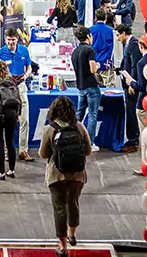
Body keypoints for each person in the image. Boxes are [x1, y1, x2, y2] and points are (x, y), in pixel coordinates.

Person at [39, 96, 91, 257]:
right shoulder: (80, 127)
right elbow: (88, 151)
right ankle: (72, 234)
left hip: (56, 176)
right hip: (77, 175)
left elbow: (42, 154)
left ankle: (62, 246)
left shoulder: (50, 129)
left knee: (59, 209)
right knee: (73, 204)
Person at [0, 28, 35, 162]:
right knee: (7, 121)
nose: (11, 42)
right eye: (8, 40)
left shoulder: (24, 51)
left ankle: (23, 150)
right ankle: (6, 151)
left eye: (13, 40)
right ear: (5, 40)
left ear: (17, 39)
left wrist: (27, 74)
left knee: (25, 120)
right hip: (5, 89)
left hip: (21, 86)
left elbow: (29, 66)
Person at [71, 26, 101, 152]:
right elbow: (92, 69)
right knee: (92, 115)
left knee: (79, 115)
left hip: (81, 87)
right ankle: (90, 143)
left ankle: (74, 139)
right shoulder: (90, 50)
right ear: (88, 36)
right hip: (92, 87)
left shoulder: (75, 51)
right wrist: (98, 66)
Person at [118, 24, 144, 159]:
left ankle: (133, 140)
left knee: (131, 112)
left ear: (124, 33)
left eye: (118, 35)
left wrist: (132, 84)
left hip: (132, 86)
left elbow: (134, 65)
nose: (117, 38)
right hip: (128, 83)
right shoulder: (129, 44)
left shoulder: (133, 45)